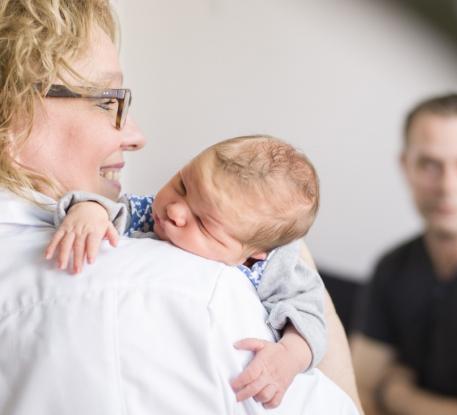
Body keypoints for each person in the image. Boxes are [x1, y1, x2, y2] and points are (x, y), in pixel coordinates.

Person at [0, 0, 360, 413]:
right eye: (106, 101)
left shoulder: (276, 272)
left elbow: (305, 319)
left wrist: (291, 353)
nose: (136, 136)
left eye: (206, 222)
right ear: (13, 115)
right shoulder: (198, 295)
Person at [46, 135, 329, 400]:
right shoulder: (147, 214)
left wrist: (289, 356)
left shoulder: (276, 266)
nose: (175, 210)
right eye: (182, 185)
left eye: (204, 223)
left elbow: (310, 316)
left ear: (254, 253)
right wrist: (89, 211)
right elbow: (112, 209)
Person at [351, 93, 457, 415]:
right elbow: (356, 392)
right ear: (405, 166)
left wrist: (398, 395)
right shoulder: (392, 267)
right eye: (429, 165)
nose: (447, 186)